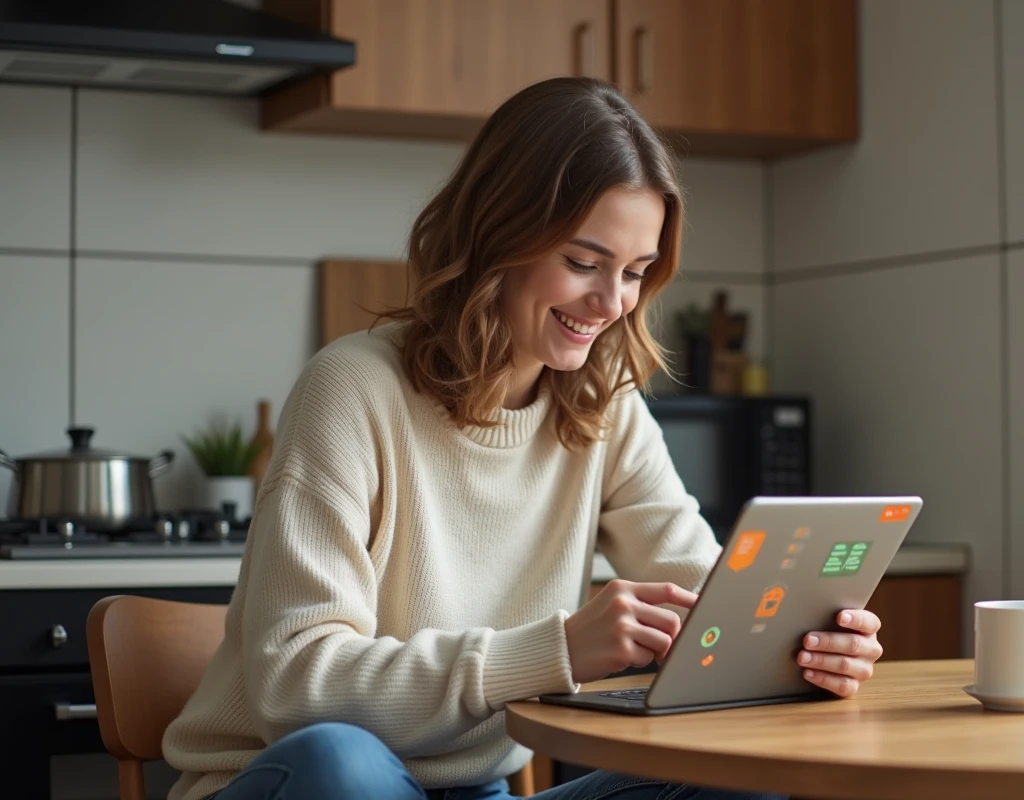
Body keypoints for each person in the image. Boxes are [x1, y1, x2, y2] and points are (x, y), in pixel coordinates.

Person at [162, 76, 884, 800]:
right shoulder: (350, 389)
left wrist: (801, 645)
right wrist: (558, 649)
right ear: (496, 233)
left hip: (478, 791)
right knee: (344, 766)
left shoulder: (605, 404)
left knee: (746, 778)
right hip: (314, 785)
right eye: (582, 262)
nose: (610, 304)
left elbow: (710, 602)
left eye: (634, 273)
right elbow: (298, 690)